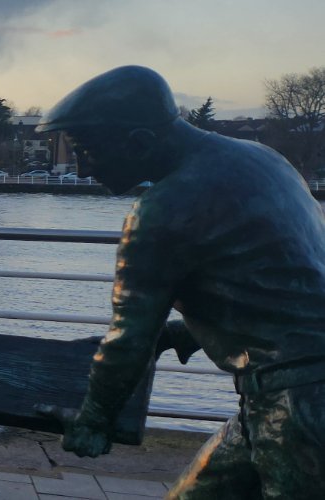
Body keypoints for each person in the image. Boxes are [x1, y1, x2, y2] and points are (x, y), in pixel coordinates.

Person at [35, 66, 325, 498]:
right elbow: (288, 284)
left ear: (139, 143)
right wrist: (185, 331)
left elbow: (128, 338)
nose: (80, 170)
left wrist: (95, 420)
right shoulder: (263, 159)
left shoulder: (163, 209)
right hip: (281, 398)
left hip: (296, 408)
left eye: (86, 151)